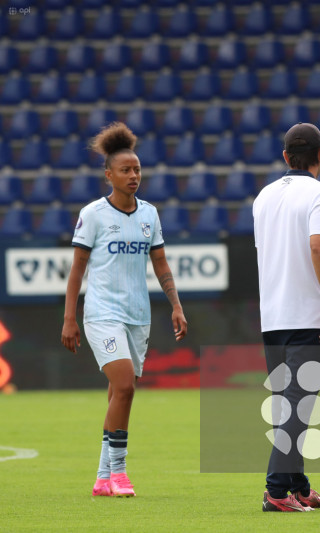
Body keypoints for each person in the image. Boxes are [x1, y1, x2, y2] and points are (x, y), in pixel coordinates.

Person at [61, 122, 188, 498]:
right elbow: (76, 270)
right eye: (125, 170)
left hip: (139, 315)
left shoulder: (149, 214)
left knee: (120, 393)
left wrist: (176, 306)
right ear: (108, 175)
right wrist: (70, 318)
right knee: (125, 386)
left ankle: (102, 478)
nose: (133, 176)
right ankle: (119, 474)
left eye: (137, 169)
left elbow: (162, 265)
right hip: (102, 314)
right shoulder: (94, 214)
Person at [253, 123, 320, 512]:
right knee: (298, 407)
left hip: (272, 315)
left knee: (288, 406)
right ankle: (275, 491)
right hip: (308, 314)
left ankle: (297, 485)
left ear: (286, 157)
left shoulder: (263, 196)